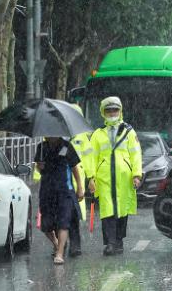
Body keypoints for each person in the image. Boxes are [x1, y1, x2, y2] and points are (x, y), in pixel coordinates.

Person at [85, 96, 142, 256]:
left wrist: (136, 174)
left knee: (122, 211)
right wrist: (91, 177)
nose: (112, 113)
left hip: (124, 178)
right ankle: (110, 243)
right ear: (103, 112)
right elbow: (91, 157)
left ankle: (119, 240)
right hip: (104, 179)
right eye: (108, 110)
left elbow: (136, 154)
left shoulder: (129, 132)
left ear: (120, 111)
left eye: (115, 109)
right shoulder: (97, 134)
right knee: (107, 210)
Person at [35, 136, 83, 264]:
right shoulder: (41, 147)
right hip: (47, 190)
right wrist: (39, 167)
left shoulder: (67, 146)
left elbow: (74, 168)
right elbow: (39, 170)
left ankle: (60, 253)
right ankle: (56, 243)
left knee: (63, 222)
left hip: (64, 191)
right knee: (46, 225)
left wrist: (79, 187)